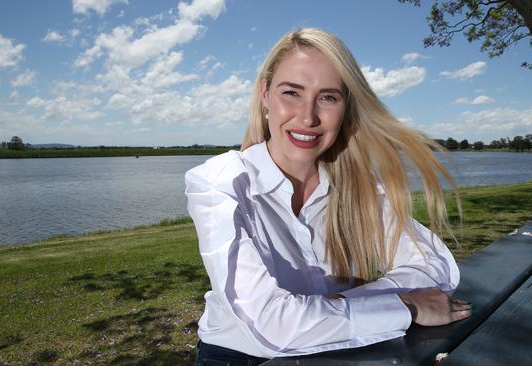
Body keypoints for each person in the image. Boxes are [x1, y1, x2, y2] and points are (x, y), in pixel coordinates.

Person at [185, 28, 471, 365]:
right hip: (237, 357)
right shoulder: (220, 183)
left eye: (328, 97)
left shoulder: (356, 189)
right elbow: (270, 324)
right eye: (291, 92)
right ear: (265, 95)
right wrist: (404, 306)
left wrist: (336, 304)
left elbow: (435, 268)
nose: (308, 117)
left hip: (341, 349)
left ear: (346, 106)